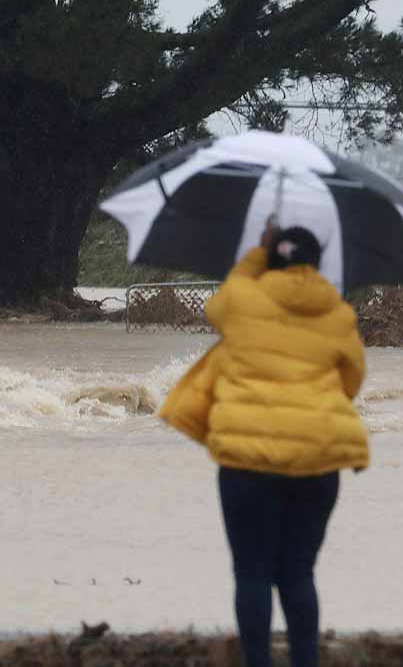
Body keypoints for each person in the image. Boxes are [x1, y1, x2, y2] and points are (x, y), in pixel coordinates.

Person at [157, 222, 368, 667]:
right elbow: (351, 382)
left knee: (252, 572)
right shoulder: (338, 312)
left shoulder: (241, 300)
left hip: (247, 465)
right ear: (317, 262)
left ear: (270, 258)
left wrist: (258, 252)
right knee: (298, 573)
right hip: (316, 463)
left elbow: (221, 300)